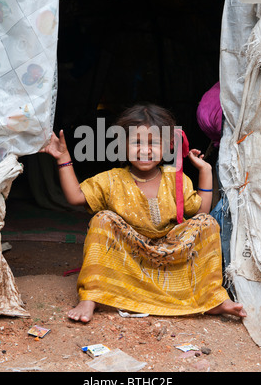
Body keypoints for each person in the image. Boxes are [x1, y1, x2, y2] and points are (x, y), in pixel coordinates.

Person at [41, 104, 247, 323]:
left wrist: (205, 170)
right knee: (102, 219)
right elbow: (75, 197)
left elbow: (201, 213)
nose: (145, 150)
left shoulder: (175, 178)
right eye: (136, 142)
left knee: (207, 223)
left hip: (170, 256)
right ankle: (91, 297)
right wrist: (63, 157)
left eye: (154, 143)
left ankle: (212, 297)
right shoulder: (112, 179)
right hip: (129, 260)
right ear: (121, 144)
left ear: (168, 146)